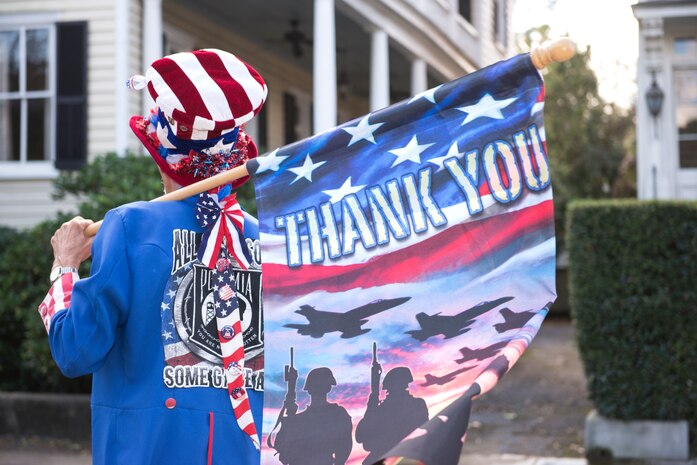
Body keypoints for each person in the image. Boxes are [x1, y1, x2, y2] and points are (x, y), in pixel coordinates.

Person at [37, 49, 267, 465]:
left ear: (162, 154)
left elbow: (76, 350)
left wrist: (65, 267)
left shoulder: (129, 226)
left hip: (145, 452)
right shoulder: (264, 240)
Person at [272, 367, 353, 465]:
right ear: (328, 387)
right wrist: (290, 417)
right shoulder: (338, 413)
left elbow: (283, 451)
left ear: (309, 389)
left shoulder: (337, 414)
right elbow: (283, 452)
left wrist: (290, 419)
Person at [355, 366, 429, 465]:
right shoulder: (381, 409)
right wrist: (374, 397)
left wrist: (374, 399)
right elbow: (361, 436)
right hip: (393, 454)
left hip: (403, 453)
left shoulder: (415, 405)